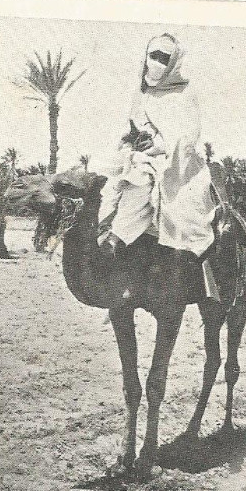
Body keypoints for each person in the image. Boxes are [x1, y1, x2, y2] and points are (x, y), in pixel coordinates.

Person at [98, 33, 219, 296]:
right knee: (113, 177)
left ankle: (118, 237)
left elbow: (188, 135)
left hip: (177, 161)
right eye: (153, 56)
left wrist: (159, 146)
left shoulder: (185, 93)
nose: (156, 63)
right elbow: (138, 123)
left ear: (174, 62)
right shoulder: (142, 92)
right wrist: (137, 138)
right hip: (143, 152)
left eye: (164, 58)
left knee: (144, 183)